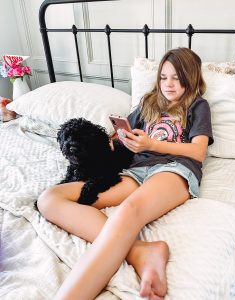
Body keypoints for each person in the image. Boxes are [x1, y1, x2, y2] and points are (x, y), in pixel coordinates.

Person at [37, 47, 213, 300]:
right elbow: (121, 135)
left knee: (129, 210)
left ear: (192, 78)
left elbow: (198, 152)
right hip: (135, 170)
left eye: (177, 77)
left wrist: (151, 144)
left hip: (174, 169)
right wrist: (118, 139)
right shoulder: (149, 103)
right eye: (163, 77)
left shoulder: (198, 105)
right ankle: (140, 251)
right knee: (49, 198)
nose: (168, 84)